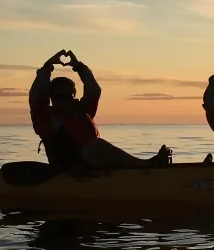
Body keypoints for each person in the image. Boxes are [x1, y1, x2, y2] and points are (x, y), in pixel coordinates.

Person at [29, 50, 170, 170]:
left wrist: (79, 67)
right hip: (66, 168)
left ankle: (140, 167)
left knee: (96, 147)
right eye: (59, 96)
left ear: (73, 95)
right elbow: (35, 95)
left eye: (67, 96)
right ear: (51, 96)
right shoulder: (45, 118)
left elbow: (94, 90)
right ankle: (145, 165)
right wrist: (48, 66)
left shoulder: (81, 110)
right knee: (96, 147)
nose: (63, 100)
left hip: (90, 165)